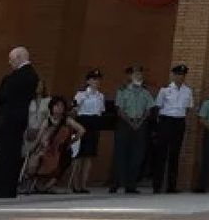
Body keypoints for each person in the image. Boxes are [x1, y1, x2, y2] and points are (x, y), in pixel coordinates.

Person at [0, 47, 40, 199]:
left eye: (11, 59)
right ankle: (7, 189)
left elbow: (5, 94)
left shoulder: (19, 75)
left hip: (10, 119)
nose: (9, 63)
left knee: (5, 155)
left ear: (19, 57)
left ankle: (1, 189)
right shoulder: (31, 74)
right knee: (12, 154)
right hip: (19, 119)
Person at [22, 95, 86, 194]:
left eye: (61, 106)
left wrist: (71, 142)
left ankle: (47, 186)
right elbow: (39, 138)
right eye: (56, 106)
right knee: (36, 158)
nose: (59, 108)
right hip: (48, 148)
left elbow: (81, 130)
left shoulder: (67, 120)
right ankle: (31, 182)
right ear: (51, 107)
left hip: (62, 149)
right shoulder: (47, 121)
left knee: (64, 160)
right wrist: (32, 149)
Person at [111, 65, 153, 194]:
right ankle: (116, 183)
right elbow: (120, 110)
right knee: (120, 154)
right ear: (130, 77)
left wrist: (139, 122)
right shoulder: (122, 91)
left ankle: (131, 185)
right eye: (136, 75)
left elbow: (149, 109)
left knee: (137, 156)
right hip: (125, 124)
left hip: (140, 125)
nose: (138, 77)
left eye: (140, 75)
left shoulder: (146, 92)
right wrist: (131, 122)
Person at [152, 64, 194, 193]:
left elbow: (188, 108)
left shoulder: (188, 91)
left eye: (182, 75)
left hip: (179, 121)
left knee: (175, 154)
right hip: (166, 121)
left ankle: (171, 186)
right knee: (161, 154)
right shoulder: (164, 90)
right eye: (178, 74)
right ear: (173, 75)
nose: (180, 77)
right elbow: (157, 107)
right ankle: (157, 185)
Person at [69, 69, 106, 193]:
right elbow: (74, 110)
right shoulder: (81, 94)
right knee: (78, 155)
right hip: (82, 122)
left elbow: (101, 111)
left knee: (89, 156)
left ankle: (84, 184)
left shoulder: (101, 96)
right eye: (94, 79)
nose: (96, 81)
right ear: (88, 81)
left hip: (94, 123)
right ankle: (75, 184)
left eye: (98, 79)